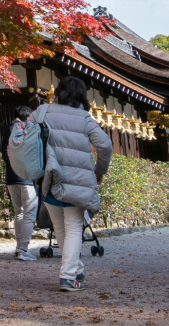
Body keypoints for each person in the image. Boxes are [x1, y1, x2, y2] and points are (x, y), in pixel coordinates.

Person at [36, 77, 112, 292]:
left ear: (58, 92)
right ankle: (69, 277)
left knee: (60, 227)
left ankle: (76, 269)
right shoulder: (84, 117)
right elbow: (105, 144)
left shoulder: (41, 112)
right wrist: (100, 170)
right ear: (81, 96)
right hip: (77, 181)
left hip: (48, 178)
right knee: (73, 227)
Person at [0, 99, 41, 261]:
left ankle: (18, 247)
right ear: (27, 117)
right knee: (30, 214)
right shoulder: (28, 128)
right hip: (26, 176)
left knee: (19, 213)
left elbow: (4, 153)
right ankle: (24, 249)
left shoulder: (7, 129)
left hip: (11, 176)